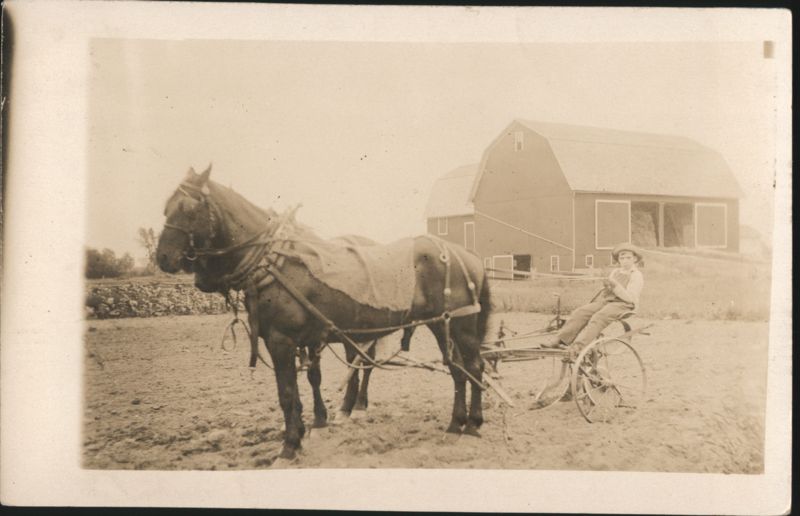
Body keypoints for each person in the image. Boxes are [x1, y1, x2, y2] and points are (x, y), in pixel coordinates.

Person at [542, 242, 644, 350]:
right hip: (608, 301)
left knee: (599, 317)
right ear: (618, 260)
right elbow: (609, 290)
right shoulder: (615, 272)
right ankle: (559, 340)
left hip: (624, 304)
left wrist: (615, 286)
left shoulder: (636, 275)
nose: (625, 261)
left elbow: (630, 298)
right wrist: (607, 285)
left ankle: (578, 347)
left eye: (628, 258)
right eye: (622, 258)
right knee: (581, 312)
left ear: (635, 259)